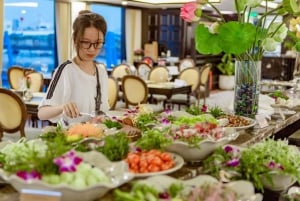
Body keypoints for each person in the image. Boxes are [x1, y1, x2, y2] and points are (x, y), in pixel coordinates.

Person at [38, 10, 109, 124]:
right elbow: (42, 113)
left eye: (98, 43)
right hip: (71, 138)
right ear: (75, 40)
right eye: (86, 42)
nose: (92, 49)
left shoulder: (101, 71)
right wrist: (62, 107)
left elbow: (103, 110)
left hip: (96, 137)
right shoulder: (66, 69)